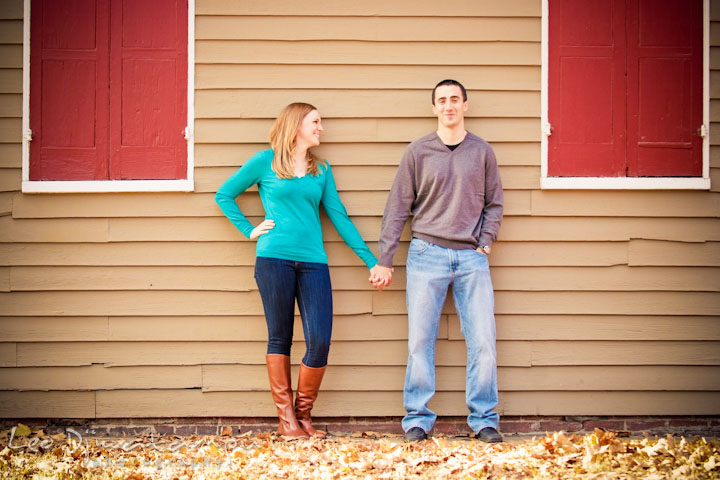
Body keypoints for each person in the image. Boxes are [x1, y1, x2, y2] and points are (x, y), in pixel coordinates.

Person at [216, 102, 390, 439]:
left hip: (314, 263)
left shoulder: (321, 170)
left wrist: (372, 261)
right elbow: (225, 195)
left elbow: (339, 216)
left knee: (319, 340)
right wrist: (248, 229)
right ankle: (287, 422)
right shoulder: (264, 162)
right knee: (280, 337)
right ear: (296, 125)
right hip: (273, 259)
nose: (321, 128)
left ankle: (303, 415)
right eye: (315, 122)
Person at [371, 80, 504, 443]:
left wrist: (486, 242)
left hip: (471, 257)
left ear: (465, 105)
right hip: (426, 253)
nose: (449, 106)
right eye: (442, 101)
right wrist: (385, 258)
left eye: (455, 100)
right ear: (434, 108)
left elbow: (494, 204)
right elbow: (397, 208)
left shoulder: (482, 152)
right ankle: (417, 419)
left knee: (482, 341)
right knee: (420, 340)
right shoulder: (418, 152)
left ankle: (484, 420)